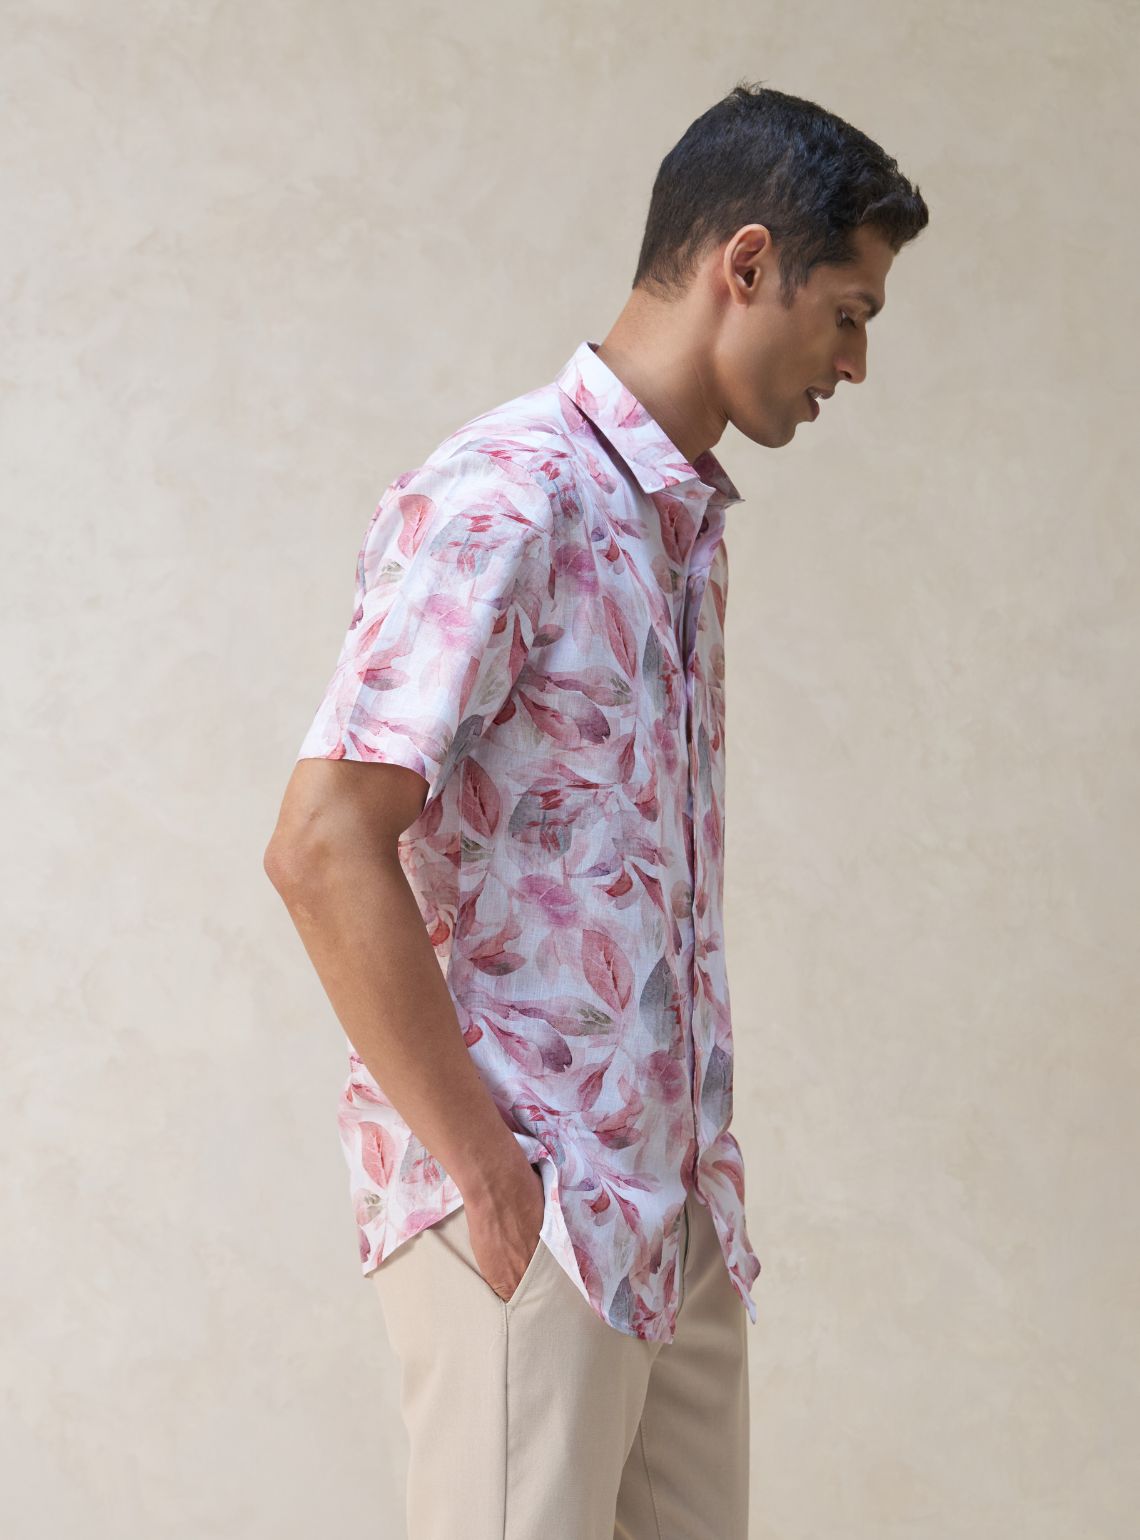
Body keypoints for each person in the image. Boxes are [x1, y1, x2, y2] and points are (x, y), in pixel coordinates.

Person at [264, 78, 928, 1540]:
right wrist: (486, 1172)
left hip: (673, 1217)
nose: (857, 362)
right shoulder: (512, 495)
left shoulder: (678, 528)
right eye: (850, 312)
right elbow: (320, 844)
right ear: (746, 264)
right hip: (538, 1212)